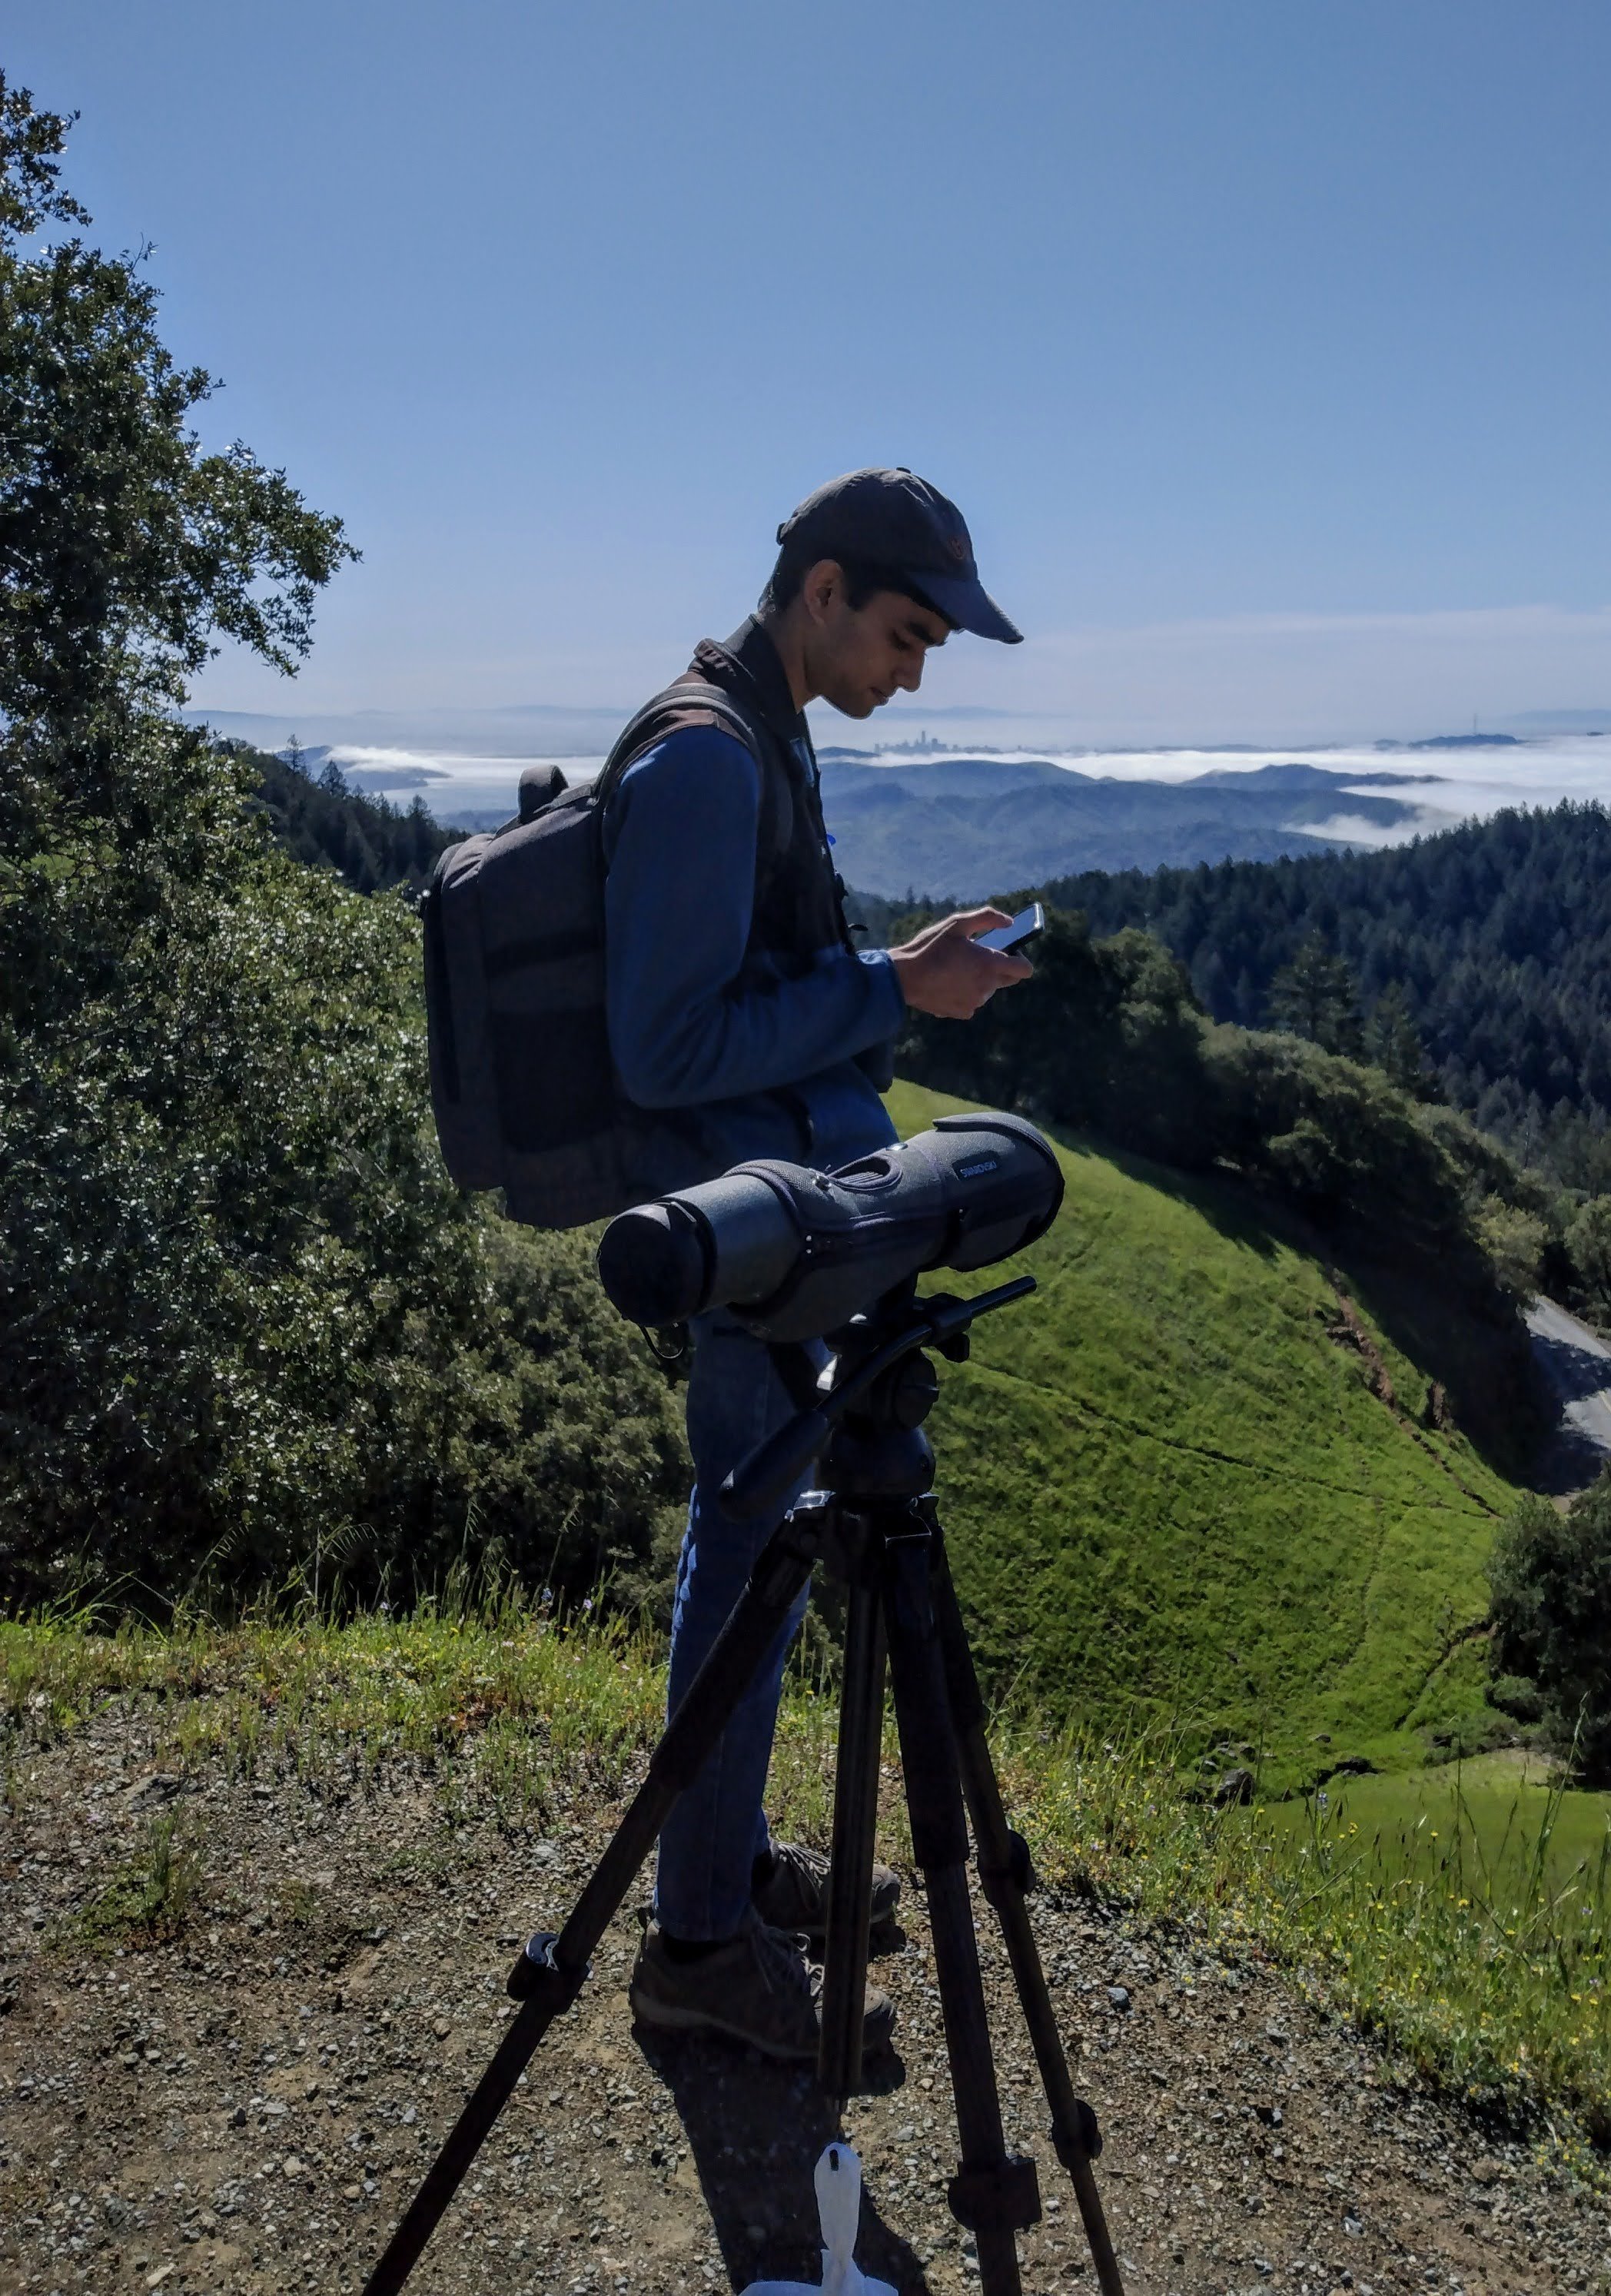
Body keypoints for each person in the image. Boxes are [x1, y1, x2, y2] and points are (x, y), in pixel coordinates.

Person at [605, 467, 1033, 2059]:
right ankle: (698, 1948)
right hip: (739, 1221)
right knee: (744, 1547)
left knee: (758, 1541)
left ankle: (717, 1871)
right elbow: (665, 1049)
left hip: (774, 1204)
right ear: (824, 588)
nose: (911, 675)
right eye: (907, 636)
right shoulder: (713, 759)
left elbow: (755, 974)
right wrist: (891, 990)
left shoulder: (762, 727)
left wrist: (900, 975)